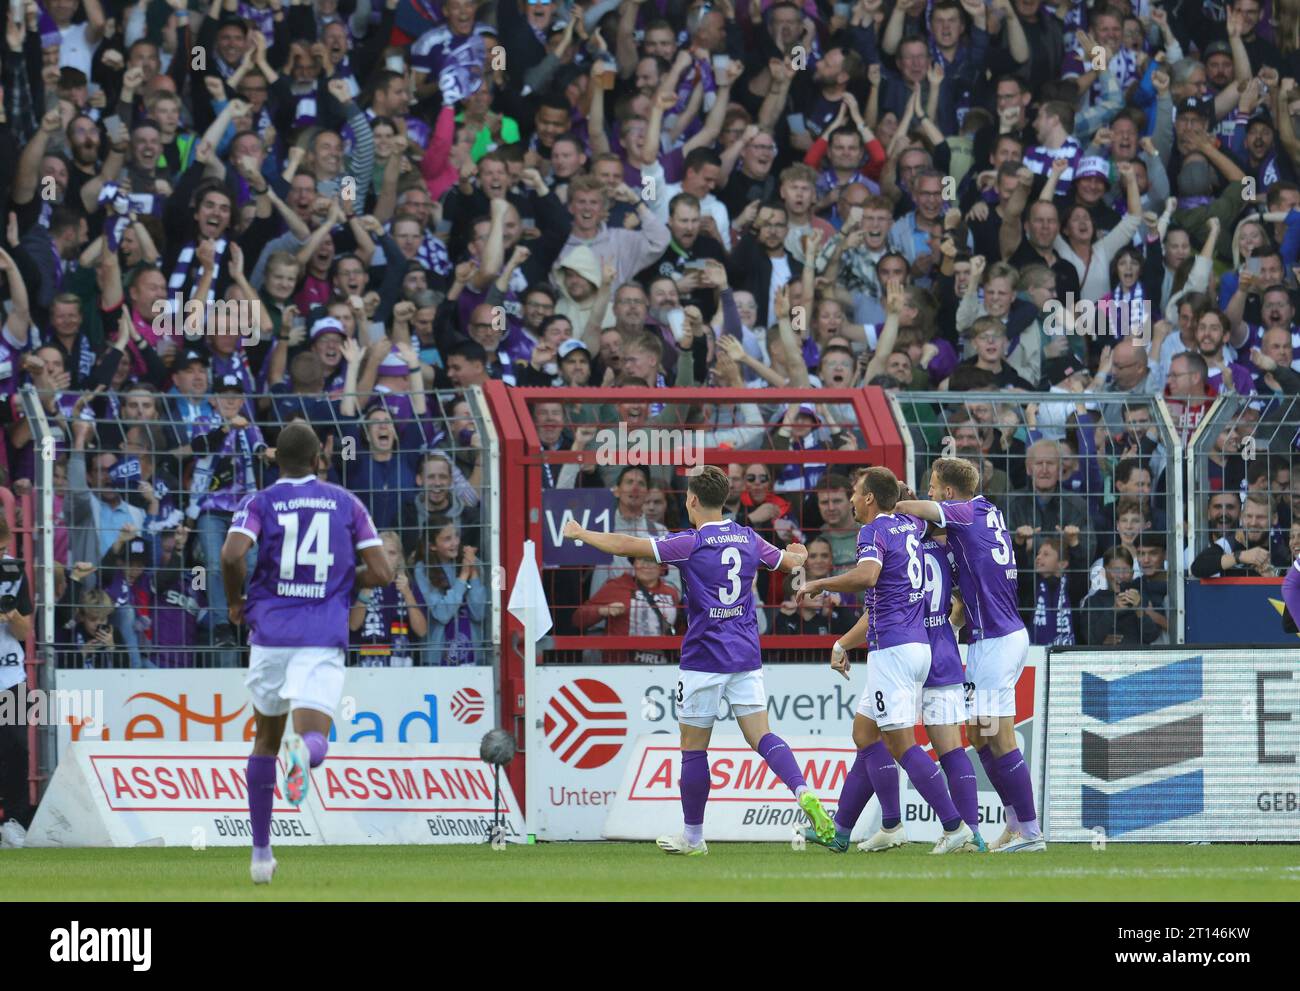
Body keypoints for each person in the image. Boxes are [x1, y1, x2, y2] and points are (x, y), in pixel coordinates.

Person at [560, 465, 834, 856]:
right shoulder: (748, 537)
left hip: (704, 657)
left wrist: (581, 533)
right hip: (745, 654)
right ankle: (803, 790)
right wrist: (800, 552)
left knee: (693, 748)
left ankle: (693, 836)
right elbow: (791, 563)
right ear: (724, 500)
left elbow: (626, 546)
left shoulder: (689, 542)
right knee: (763, 736)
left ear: (691, 500)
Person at [221, 423, 393, 885]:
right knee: (313, 737)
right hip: (320, 632)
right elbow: (383, 569)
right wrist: (344, 579)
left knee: (265, 740)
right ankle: (306, 752)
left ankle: (260, 855)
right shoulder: (346, 503)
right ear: (320, 458)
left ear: (276, 457)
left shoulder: (258, 502)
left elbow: (232, 554)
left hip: (270, 633)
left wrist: (236, 601)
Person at [794, 466, 977, 855]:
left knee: (903, 746)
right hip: (917, 646)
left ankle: (954, 825)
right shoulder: (911, 527)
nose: (852, 501)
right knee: (865, 732)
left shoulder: (873, 530)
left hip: (893, 648)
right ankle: (851, 828)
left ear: (871, 498)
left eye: (857, 493)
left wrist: (820, 583)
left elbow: (868, 575)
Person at [896, 456, 1045, 853]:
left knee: (1000, 739)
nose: (928, 491)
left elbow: (925, 512)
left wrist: (899, 502)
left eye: (932, 485)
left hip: (996, 641)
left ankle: (1031, 833)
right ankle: (1015, 825)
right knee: (980, 735)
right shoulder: (985, 512)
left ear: (948, 492)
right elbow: (951, 542)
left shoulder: (961, 510)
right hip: (997, 637)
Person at [0, 521, 33, 849]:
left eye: (3, 549)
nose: (1, 556)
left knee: (16, 748)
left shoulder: (14, 574)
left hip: (9, 677)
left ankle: (14, 820)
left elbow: (25, 633)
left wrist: (12, 615)